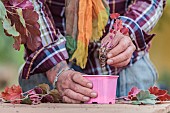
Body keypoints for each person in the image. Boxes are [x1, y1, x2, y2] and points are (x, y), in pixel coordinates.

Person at [19, 0, 166, 103]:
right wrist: (55, 67)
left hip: (129, 73)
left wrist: (127, 31)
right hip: (47, 75)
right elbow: (25, 3)